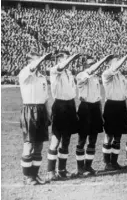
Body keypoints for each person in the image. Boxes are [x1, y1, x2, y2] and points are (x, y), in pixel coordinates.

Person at [75, 55, 112, 176]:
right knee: (82, 140)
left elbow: (98, 97)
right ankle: (80, 168)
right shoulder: (81, 75)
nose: (93, 66)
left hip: (95, 108)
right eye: (91, 64)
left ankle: (88, 166)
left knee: (93, 139)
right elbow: (89, 73)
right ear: (85, 65)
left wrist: (100, 114)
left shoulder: (96, 78)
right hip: (85, 108)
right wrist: (102, 60)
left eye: (94, 63)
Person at [18, 50, 52, 185]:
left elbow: (45, 99)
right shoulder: (24, 73)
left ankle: (35, 174)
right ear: (29, 62)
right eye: (37, 60)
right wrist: (43, 57)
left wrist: (48, 114)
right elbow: (32, 67)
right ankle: (27, 177)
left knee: (39, 145)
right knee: (29, 144)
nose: (40, 63)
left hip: (41, 111)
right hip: (29, 111)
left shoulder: (42, 77)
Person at [47, 51, 80, 181]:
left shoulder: (69, 73)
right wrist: (72, 58)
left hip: (70, 105)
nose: (68, 60)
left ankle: (62, 170)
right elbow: (61, 66)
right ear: (59, 59)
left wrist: (75, 108)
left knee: (66, 140)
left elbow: (72, 91)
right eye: (65, 58)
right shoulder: (55, 70)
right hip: (60, 106)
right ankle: (50, 171)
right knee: (56, 139)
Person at [101, 52, 127, 170]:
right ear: (108, 63)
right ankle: (107, 163)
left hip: (121, 106)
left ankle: (114, 162)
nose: (117, 62)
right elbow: (115, 68)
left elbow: (124, 94)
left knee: (118, 136)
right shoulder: (106, 74)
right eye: (114, 60)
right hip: (111, 105)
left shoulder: (121, 76)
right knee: (109, 135)